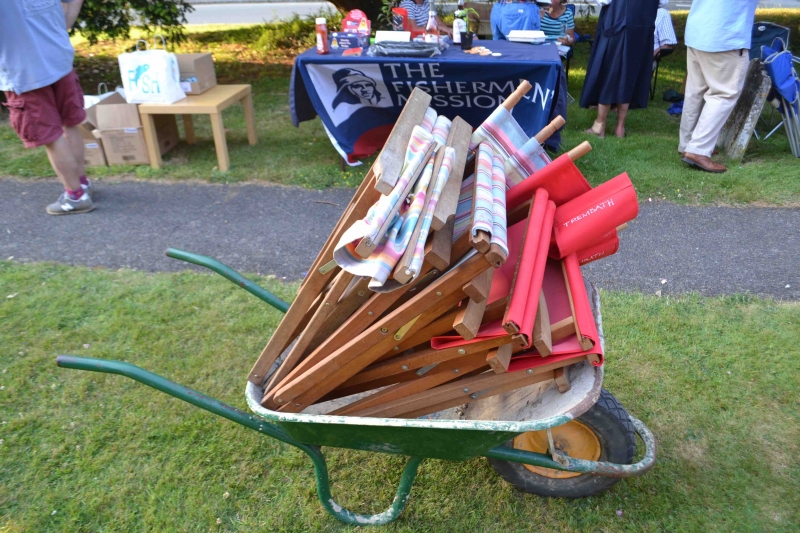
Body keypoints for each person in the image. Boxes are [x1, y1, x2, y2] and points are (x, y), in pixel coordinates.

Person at [1, 0, 93, 216]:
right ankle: (82, 184)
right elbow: (70, 10)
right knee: (69, 124)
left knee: (51, 137)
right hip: (60, 60)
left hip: (23, 73)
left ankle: (76, 196)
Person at [679, 0, 759, 173]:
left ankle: (688, 144)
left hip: (697, 31)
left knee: (695, 92)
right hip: (725, 35)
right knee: (723, 94)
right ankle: (697, 149)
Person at [579, 0, 658, 139]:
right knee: (629, 76)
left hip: (617, 28)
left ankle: (599, 126)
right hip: (641, 30)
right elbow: (662, 2)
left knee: (609, 75)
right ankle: (620, 128)